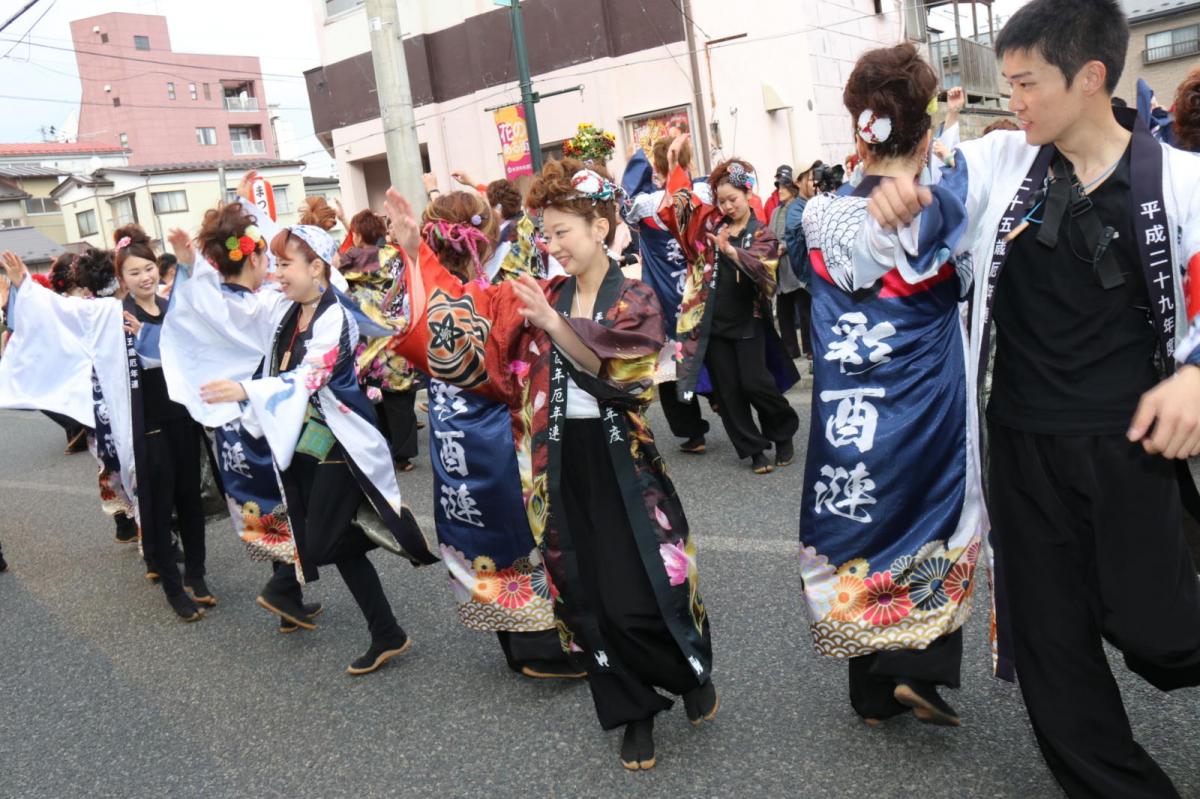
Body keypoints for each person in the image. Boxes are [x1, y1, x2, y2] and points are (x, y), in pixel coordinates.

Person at [865, 1, 1200, 794]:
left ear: (1089, 78)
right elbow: (932, 215)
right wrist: (898, 202)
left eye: (1025, 82)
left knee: (1159, 631)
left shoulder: (1180, 181)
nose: (1011, 99)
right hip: (1018, 446)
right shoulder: (996, 165)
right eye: (1007, 81)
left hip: (1133, 448)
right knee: (1053, 647)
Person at [381, 157, 718, 771]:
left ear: (600, 226)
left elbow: (628, 373)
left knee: (645, 586)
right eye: (547, 231)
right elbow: (470, 330)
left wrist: (554, 325)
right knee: (585, 592)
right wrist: (415, 257)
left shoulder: (633, 294)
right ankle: (631, 711)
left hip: (622, 465)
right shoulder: (544, 295)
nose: (553, 242)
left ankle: (688, 672)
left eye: (565, 229)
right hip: (555, 463)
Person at [799, 41, 979, 729]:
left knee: (858, 510)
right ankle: (922, 669)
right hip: (924, 394)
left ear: (859, 131)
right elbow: (957, 274)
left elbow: (843, 266)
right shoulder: (943, 209)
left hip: (852, 399)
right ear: (926, 135)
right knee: (933, 509)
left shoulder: (821, 214)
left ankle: (871, 693)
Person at [192, 220, 437, 674]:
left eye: (286, 264)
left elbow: (308, 377)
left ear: (317, 267)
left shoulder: (335, 316)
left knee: (321, 538)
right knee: (338, 543)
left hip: (341, 445)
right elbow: (252, 341)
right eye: (277, 263)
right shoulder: (289, 313)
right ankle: (387, 631)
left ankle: (291, 583)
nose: (276, 273)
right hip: (304, 442)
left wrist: (244, 392)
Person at [374, 188, 584, 680]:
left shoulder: (420, 294)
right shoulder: (498, 293)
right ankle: (543, 651)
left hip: (451, 440)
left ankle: (513, 647)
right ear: (486, 240)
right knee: (521, 536)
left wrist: (411, 253)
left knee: (479, 537)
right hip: (498, 437)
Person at [0, 228, 213, 621]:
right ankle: (172, 586)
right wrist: (24, 286)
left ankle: (197, 576)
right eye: (134, 272)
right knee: (156, 506)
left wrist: (188, 261)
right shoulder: (109, 314)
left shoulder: (172, 306)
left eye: (149, 268)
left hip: (183, 418)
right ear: (121, 278)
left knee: (190, 499)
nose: (145, 277)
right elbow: (62, 313)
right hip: (145, 424)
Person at [162, 200, 322, 634]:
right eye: (268, 257)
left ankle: (288, 593)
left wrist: (188, 264)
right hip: (267, 416)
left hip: (227, 424)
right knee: (294, 500)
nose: (272, 265)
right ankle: (284, 589)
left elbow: (197, 295)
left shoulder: (208, 302)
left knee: (264, 505)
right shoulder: (265, 305)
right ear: (253, 256)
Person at [659, 147, 801, 474]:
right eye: (721, 200)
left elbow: (767, 270)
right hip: (711, 324)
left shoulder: (761, 233)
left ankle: (782, 432)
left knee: (756, 383)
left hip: (748, 323)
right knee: (729, 393)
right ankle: (754, 451)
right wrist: (674, 167)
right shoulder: (710, 224)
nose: (727, 206)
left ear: (748, 193)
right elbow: (680, 210)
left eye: (732, 199)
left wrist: (732, 252)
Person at [621, 136, 712, 453]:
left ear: (657, 166)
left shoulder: (646, 204)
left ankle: (692, 433)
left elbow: (625, 206)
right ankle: (724, 403)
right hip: (702, 290)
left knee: (672, 363)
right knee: (713, 351)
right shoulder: (705, 192)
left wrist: (636, 166)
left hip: (663, 297)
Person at [341, 208, 420, 471]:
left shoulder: (356, 258)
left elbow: (330, 275)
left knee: (374, 392)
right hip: (399, 331)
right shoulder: (397, 254)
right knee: (400, 395)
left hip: (371, 335)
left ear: (358, 234)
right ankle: (403, 455)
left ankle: (382, 447)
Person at [783, 162, 821, 365]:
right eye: (810, 177)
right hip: (812, 282)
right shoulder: (796, 209)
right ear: (798, 182)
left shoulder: (821, 201)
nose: (815, 181)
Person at [769, 166, 805, 360]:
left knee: (804, 311)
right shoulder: (775, 211)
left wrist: (784, 246)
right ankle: (791, 350)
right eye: (778, 186)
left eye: (783, 186)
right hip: (780, 271)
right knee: (783, 313)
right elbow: (769, 236)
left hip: (796, 268)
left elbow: (801, 234)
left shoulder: (800, 207)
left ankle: (809, 349)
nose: (780, 190)